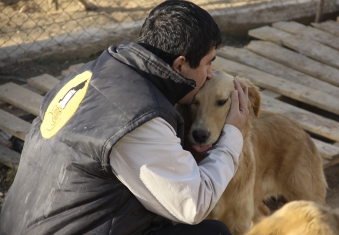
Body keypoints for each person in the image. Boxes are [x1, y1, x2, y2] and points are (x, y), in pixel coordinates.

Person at [0, 1, 249, 234]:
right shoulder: (140, 119)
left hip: (21, 222)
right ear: (180, 65)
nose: (209, 74)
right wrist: (232, 136)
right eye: (208, 64)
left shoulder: (96, 70)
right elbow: (194, 204)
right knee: (212, 231)